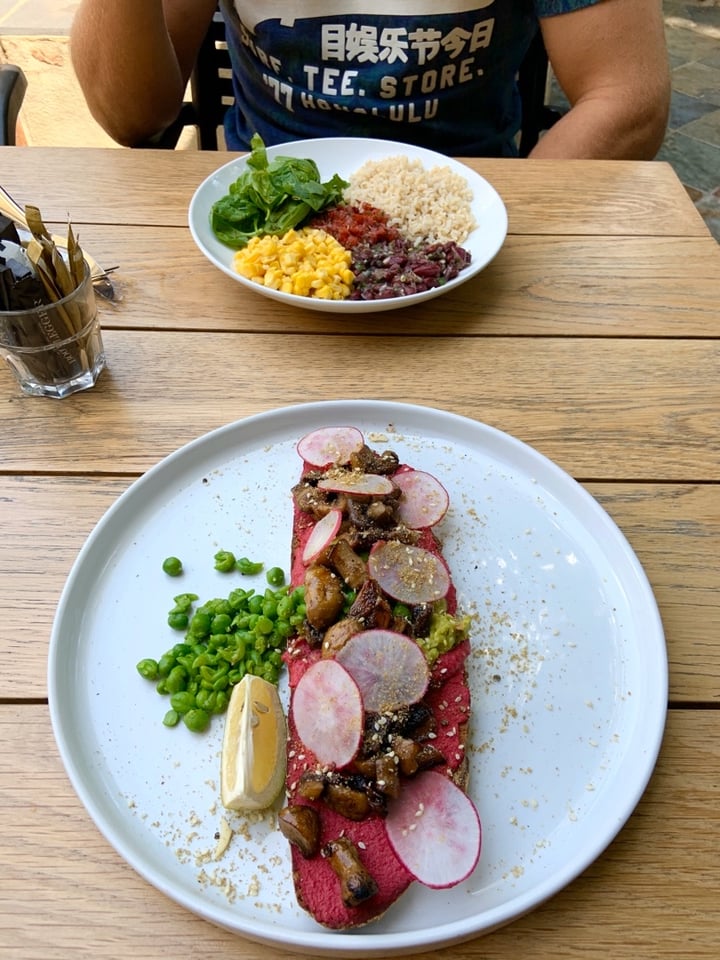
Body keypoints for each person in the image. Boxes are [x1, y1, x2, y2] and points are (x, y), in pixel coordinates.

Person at [69, 0, 670, 159]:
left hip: (465, 203)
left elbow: (625, 98)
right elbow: (131, 114)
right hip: (259, 206)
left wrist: (490, 235)